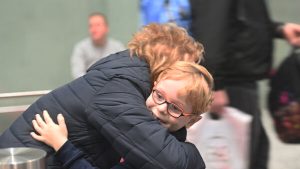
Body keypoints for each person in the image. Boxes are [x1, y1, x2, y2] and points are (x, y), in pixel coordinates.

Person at [0, 23, 205, 169]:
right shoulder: (120, 88)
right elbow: (169, 162)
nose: (189, 75)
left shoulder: (128, 77)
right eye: (187, 67)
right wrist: (194, 155)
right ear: (167, 63)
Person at [30, 61, 214, 169]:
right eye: (158, 95)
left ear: (192, 120)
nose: (160, 109)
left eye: (175, 108)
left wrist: (62, 145)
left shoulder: (162, 158)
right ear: (153, 86)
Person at [189, 0, 300, 168]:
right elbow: (210, 29)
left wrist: (279, 29)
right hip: (229, 86)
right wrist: (214, 85)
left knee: (253, 155)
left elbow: (243, 20)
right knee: (238, 159)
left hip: (238, 83)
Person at [71, 12, 125, 79]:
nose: (94, 29)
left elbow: (124, 71)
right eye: (91, 26)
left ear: (107, 28)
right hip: (87, 86)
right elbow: (77, 74)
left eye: (98, 25)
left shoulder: (118, 47)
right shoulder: (81, 48)